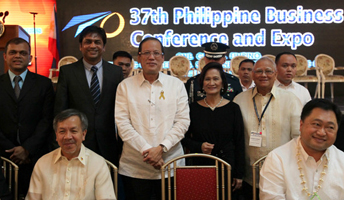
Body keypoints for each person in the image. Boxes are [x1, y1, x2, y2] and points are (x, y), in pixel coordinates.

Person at [115, 37, 190, 200]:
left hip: (170, 164)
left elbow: (183, 122)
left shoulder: (176, 85)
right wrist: (148, 152)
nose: (151, 57)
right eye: (146, 53)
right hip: (134, 168)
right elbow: (122, 124)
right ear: (139, 58)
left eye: (156, 53)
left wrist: (161, 149)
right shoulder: (125, 86)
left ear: (163, 58)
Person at [0, 37, 54, 197]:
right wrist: (12, 151)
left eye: (23, 53)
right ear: (5, 56)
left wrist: (27, 149)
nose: (17, 56)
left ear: (29, 58)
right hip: (2, 158)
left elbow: (47, 120)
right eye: (13, 52)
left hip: (35, 158)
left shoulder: (44, 84)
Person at [233, 56, 302, 200]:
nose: (263, 75)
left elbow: (298, 137)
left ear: (275, 74)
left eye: (268, 71)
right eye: (258, 71)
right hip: (249, 175)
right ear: (252, 75)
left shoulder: (291, 100)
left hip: (282, 174)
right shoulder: (239, 100)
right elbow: (235, 138)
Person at [54, 25, 123, 166]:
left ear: (104, 47)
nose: (93, 45)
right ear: (81, 46)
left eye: (97, 42)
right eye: (88, 42)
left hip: (108, 144)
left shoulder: (116, 72)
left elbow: (122, 109)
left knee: (107, 185)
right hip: (78, 143)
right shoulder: (68, 72)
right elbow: (61, 110)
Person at [181, 62, 245, 199]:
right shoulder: (192, 108)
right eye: (207, 79)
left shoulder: (233, 108)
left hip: (228, 166)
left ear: (222, 83)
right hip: (200, 165)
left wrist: (239, 174)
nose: (212, 83)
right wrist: (199, 146)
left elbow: (240, 142)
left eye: (216, 79)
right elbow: (182, 137)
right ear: (202, 83)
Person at [260, 99, 344, 200]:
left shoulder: (342, 160)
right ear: (301, 125)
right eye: (317, 124)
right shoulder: (277, 159)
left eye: (330, 127)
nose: (322, 132)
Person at [26, 109, 116, 200]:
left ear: (83, 134)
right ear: (56, 135)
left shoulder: (98, 164)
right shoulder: (42, 163)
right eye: (62, 131)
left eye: (73, 131)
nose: (68, 137)